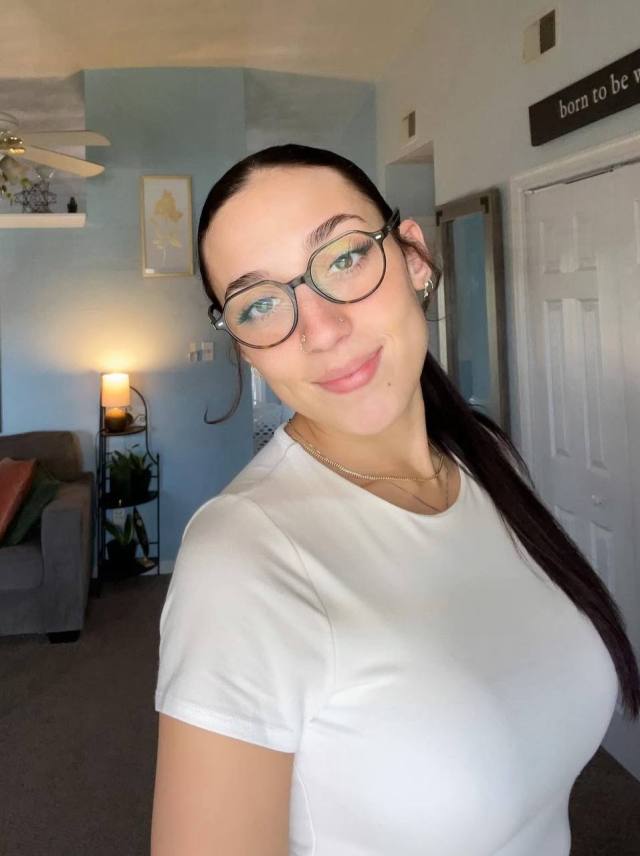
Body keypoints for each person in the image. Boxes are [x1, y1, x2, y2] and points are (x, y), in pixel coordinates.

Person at [151, 144, 639, 856]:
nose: (321, 331)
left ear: (413, 256)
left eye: (345, 258)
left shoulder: (485, 458)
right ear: (246, 348)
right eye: (260, 304)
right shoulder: (242, 560)